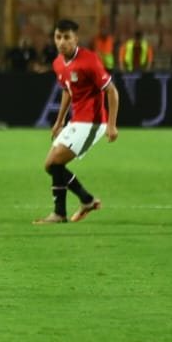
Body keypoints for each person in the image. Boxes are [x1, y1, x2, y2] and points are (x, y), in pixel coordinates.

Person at [34, 19, 119, 225]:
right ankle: (83, 201)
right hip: (76, 120)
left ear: (76, 39)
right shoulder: (58, 63)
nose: (62, 42)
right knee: (50, 165)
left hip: (92, 123)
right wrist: (60, 120)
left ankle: (62, 212)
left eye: (66, 37)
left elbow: (112, 91)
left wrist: (111, 125)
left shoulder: (89, 60)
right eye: (58, 37)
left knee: (55, 163)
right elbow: (67, 90)